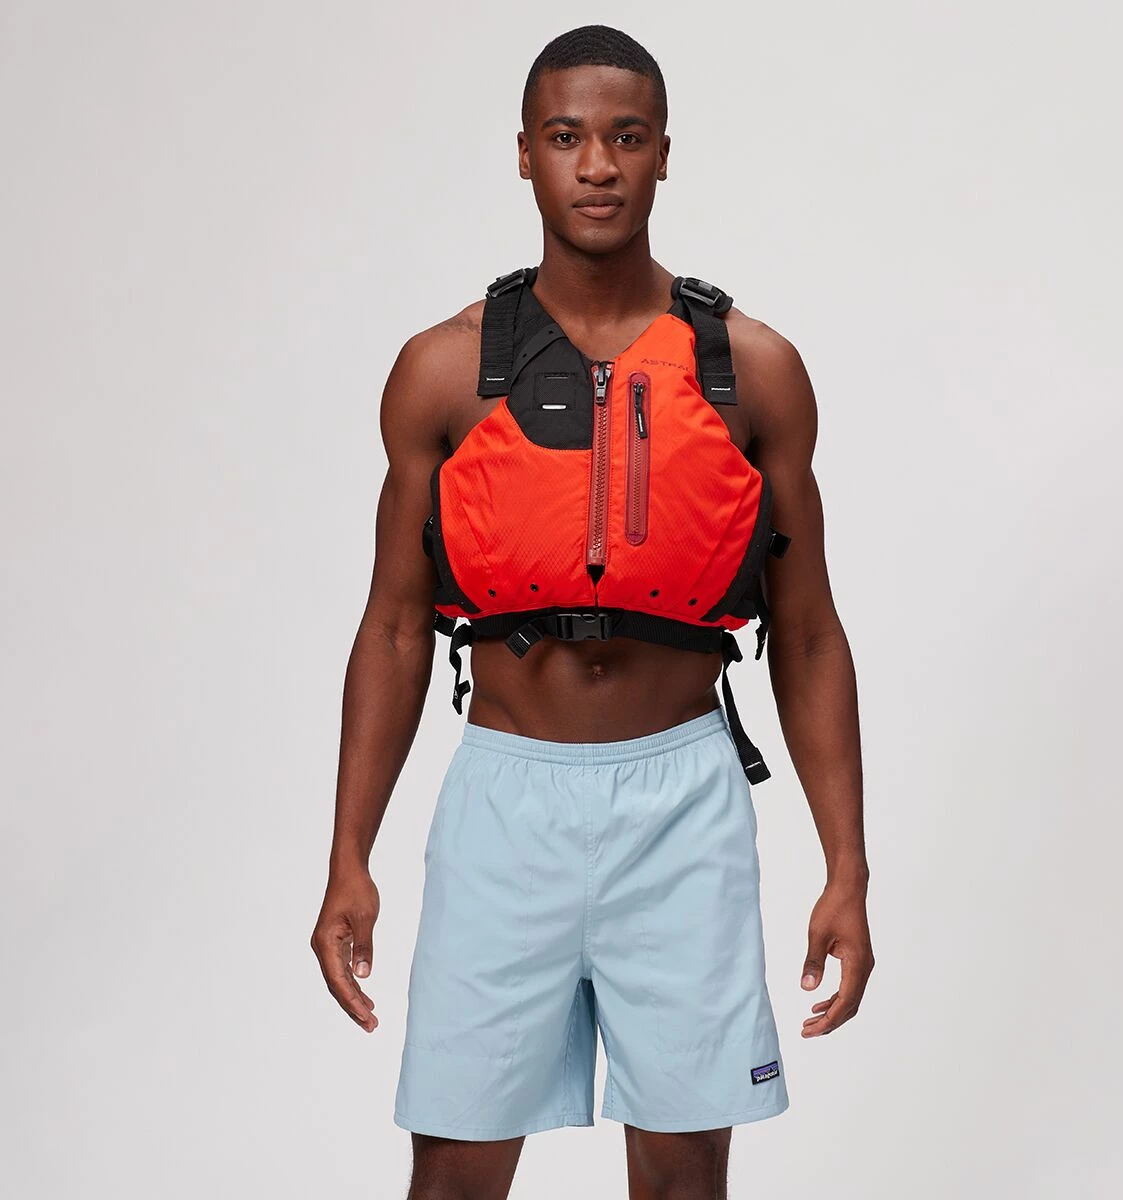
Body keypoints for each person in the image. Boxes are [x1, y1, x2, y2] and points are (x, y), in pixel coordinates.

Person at [311, 23, 873, 1200]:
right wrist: (348, 855)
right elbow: (396, 627)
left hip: (683, 804)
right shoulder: (443, 370)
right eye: (567, 137)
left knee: (682, 1178)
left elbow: (810, 633)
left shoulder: (753, 368)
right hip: (505, 800)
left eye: (626, 137)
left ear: (665, 152)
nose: (599, 165)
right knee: (455, 1174)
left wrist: (846, 867)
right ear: (525, 154)